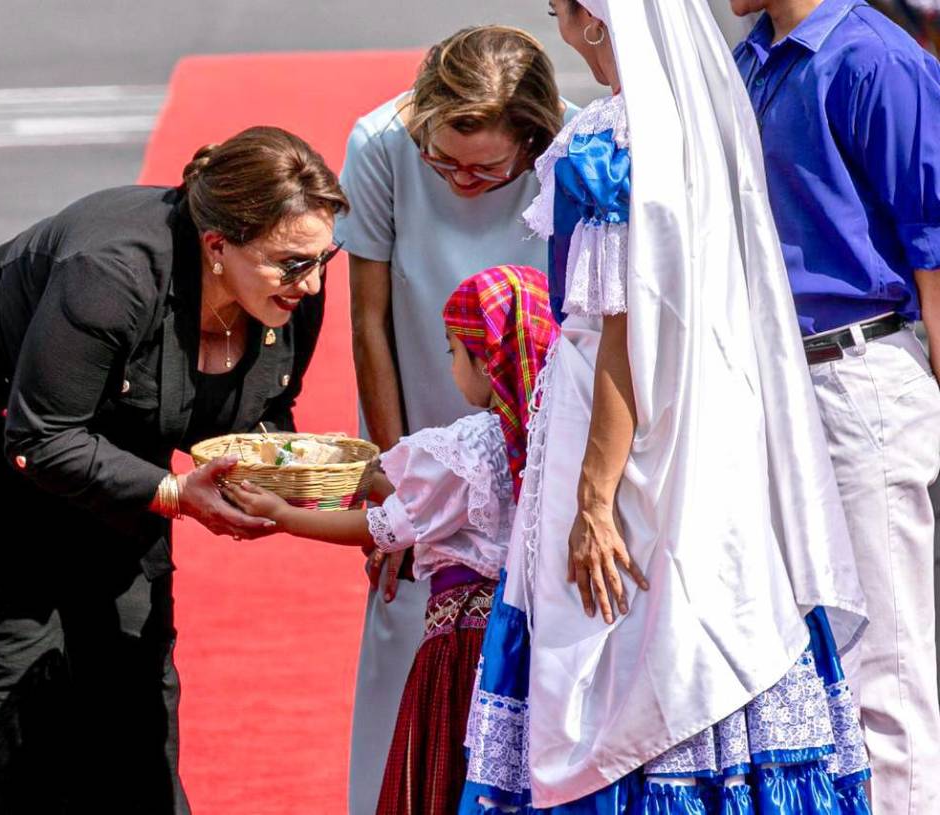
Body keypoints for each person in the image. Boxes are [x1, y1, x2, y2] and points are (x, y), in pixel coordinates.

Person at [459, 1, 873, 812]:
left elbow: (621, 324)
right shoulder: (700, 115)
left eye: (563, 13)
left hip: (613, 426)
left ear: (595, 20)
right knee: (709, 617)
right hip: (706, 421)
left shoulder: (614, 137)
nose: (565, 33)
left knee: (619, 637)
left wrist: (592, 497)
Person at [0, 126, 346, 814]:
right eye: (293, 263)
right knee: (16, 651)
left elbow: (259, 412)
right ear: (217, 246)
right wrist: (176, 491)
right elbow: (42, 438)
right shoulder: (113, 270)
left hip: (99, 419)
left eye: (323, 256)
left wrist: (305, 481)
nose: (315, 280)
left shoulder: (293, 288)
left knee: (131, 640)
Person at [335, 27, 566, 813]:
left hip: (543, 451)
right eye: (444, 160)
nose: (463, 180)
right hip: (426, 425)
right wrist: (394, 476)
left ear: (532, 140)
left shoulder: (573, 149)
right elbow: (370, 320)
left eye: (488, 169)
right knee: (406, 633)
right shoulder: (380, 143)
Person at [227, 265, 557, 815]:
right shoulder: (545, 438)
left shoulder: (471, 444)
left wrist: (284, 515)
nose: (450, 366)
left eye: (454, 351)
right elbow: (421, 499)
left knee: (446, 774)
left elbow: (386, 523)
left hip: (462, 647)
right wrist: (356, 472)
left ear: (487, 358)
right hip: (522, 645)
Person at [728, 1, 940, 811]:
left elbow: (935, 248)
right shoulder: (753, 56)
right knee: (811, 663)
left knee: (883, 661)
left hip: (858, 378)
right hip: (780, 386)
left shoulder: (874, 59)